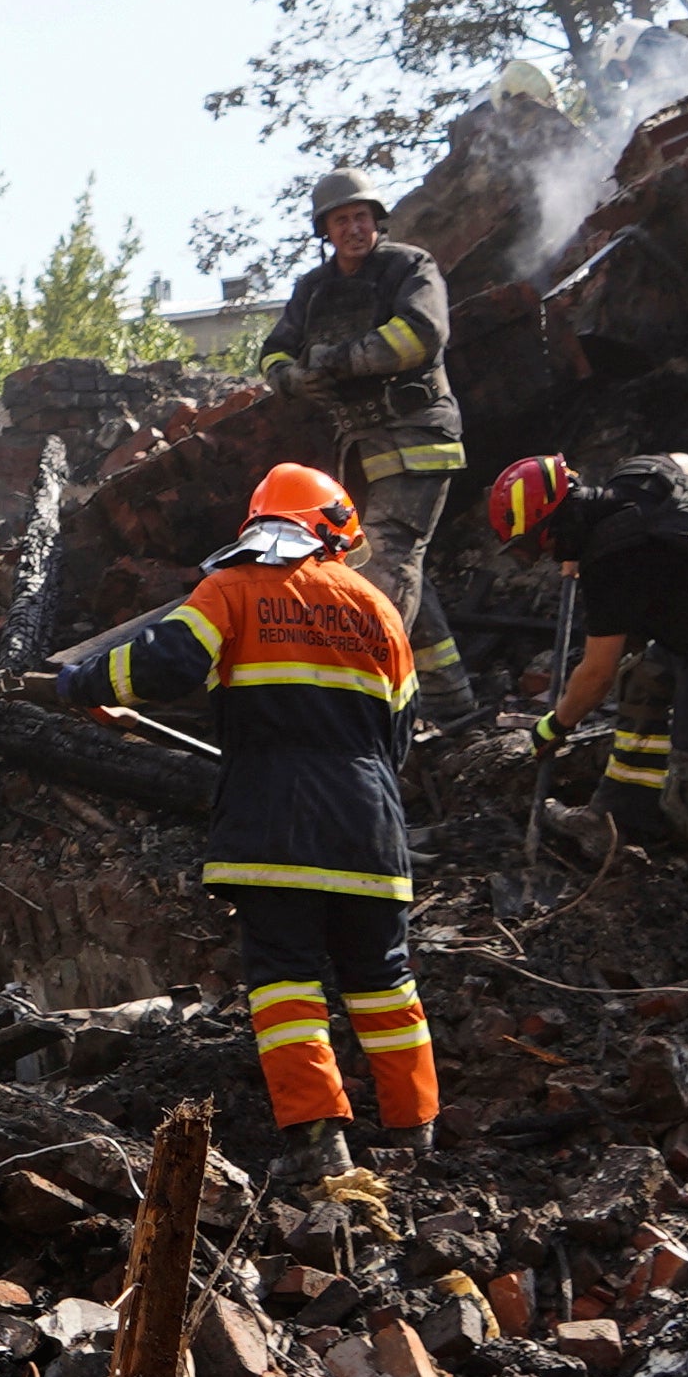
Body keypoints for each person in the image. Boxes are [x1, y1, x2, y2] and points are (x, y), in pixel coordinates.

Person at [44, 462, 433, 1188]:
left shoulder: (232, 589)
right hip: (370, 825)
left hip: (273, 821)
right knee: (383, 982)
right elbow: (402, 733)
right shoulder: (378, 608)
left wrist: (82, 681)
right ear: (332, 532)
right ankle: (413, 1132)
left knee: (286, 982)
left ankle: (320, 1144)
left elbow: (166, 665)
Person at [487, 451, 688, 943]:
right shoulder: (640, 474)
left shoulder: (611, 562)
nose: (540, 558)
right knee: (644, 681)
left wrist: (552, 728)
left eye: (532, 546)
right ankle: (615, 818)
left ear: (553, 525)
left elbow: (595, 676)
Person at [253, 169, 472, 726]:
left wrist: (341, 359)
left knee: (383, 563)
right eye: (341, 219)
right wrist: (294, 380)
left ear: (378, 220)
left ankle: (368, 709)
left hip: (418, 438)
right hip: (359, 450)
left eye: (362, 216)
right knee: (390, 567)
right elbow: (273, 354)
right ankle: (451, 704)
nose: (355, 228)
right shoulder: (313, 289)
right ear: (324, 229)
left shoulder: (410, 267)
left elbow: (422, 334)